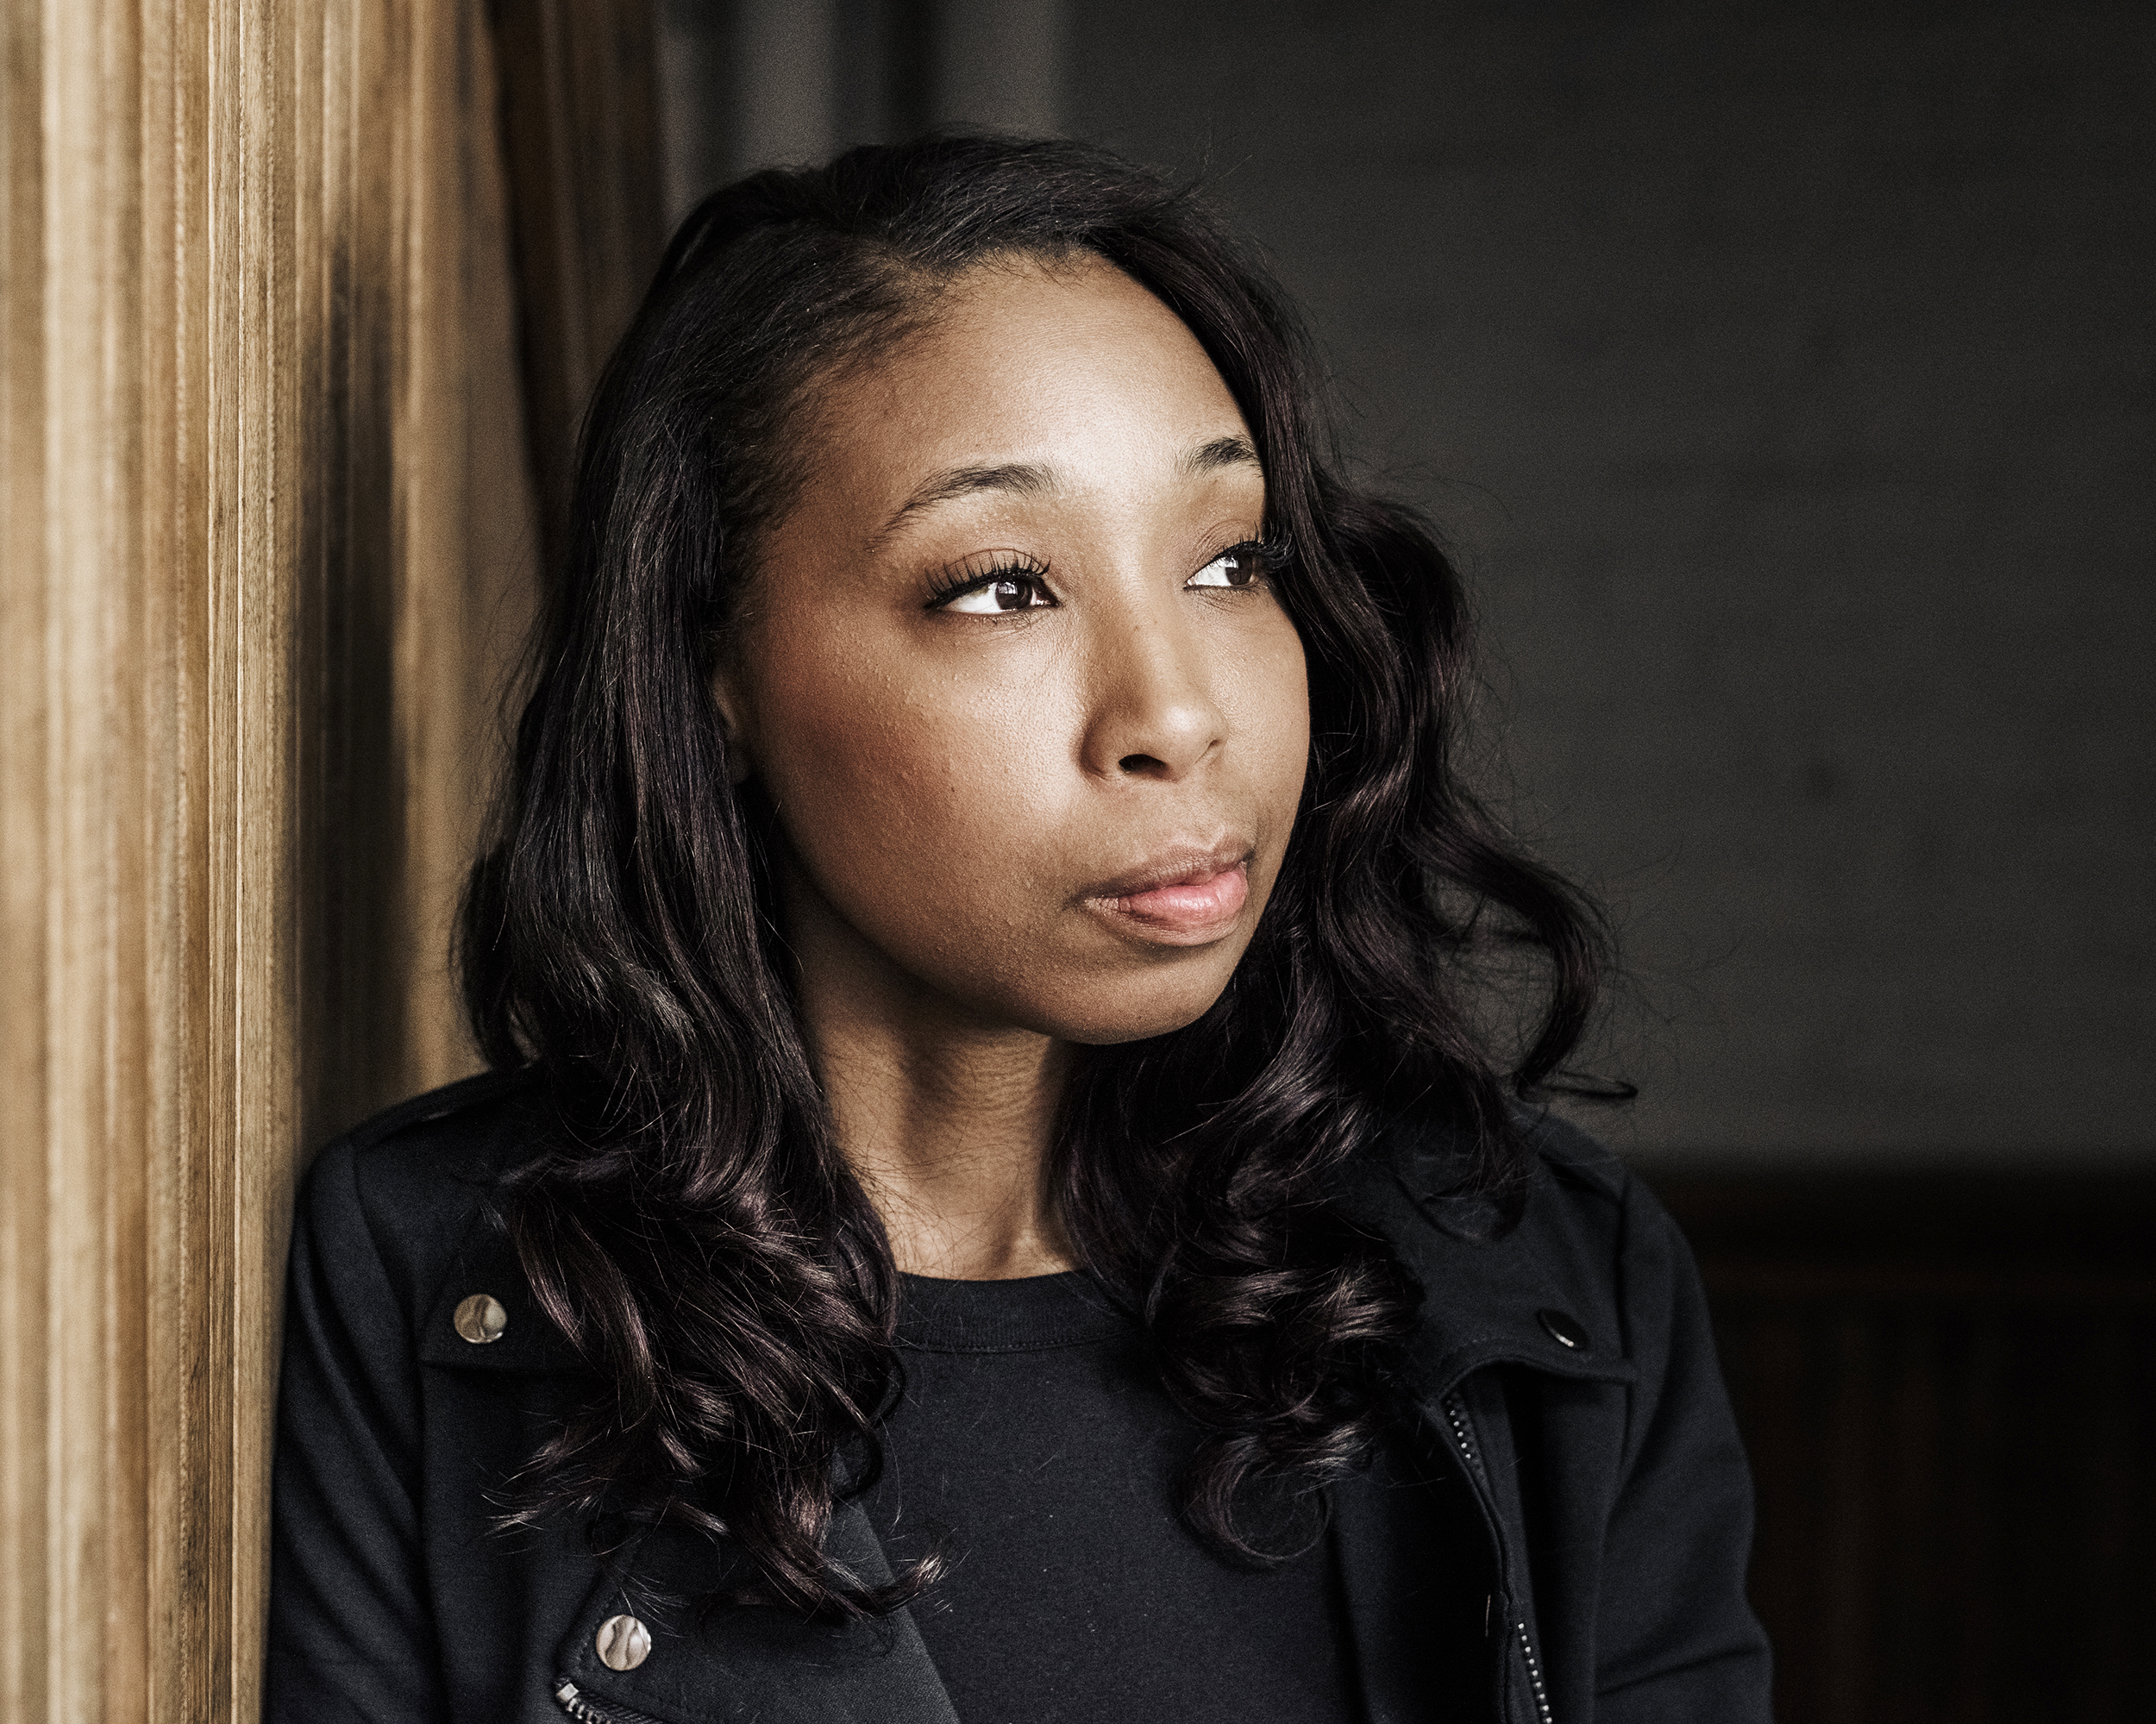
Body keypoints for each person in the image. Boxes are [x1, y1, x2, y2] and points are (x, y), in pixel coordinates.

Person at [266, 134, 1771, 1724]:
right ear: (714, 671)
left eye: (1230, 560)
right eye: (1001, 587)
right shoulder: (439, 1290)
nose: (1175, 712)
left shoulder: (1545, 1282)